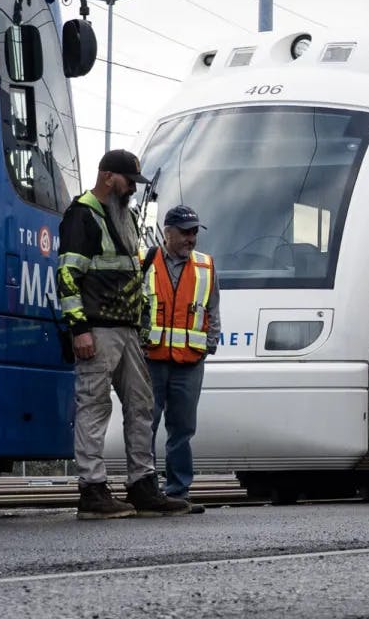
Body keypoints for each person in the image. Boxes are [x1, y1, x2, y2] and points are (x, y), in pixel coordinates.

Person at [57, 149, 191, 520]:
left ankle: (142, 485)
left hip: (127, 330)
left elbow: (133, 274)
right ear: (107, 177)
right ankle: (92, 489)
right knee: (94, 405)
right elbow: (67, 276)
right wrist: (79, 329)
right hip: (97, 329)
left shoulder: (127, 216)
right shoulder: (82, 215)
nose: (133, 188)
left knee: (141, 405)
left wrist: (142, 325)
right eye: (129, 181)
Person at [143, 205, 220, 513]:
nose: (191, 238)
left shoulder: (206, 266)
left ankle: (178, 491)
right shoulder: (144, 261)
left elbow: (212, 309)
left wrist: (209, 345)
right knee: (145, 425)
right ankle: (146, 489)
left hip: (189, 361)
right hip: (151, 358)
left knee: (183, 428)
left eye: (194, 232)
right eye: (185, 232)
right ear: (167, 233)